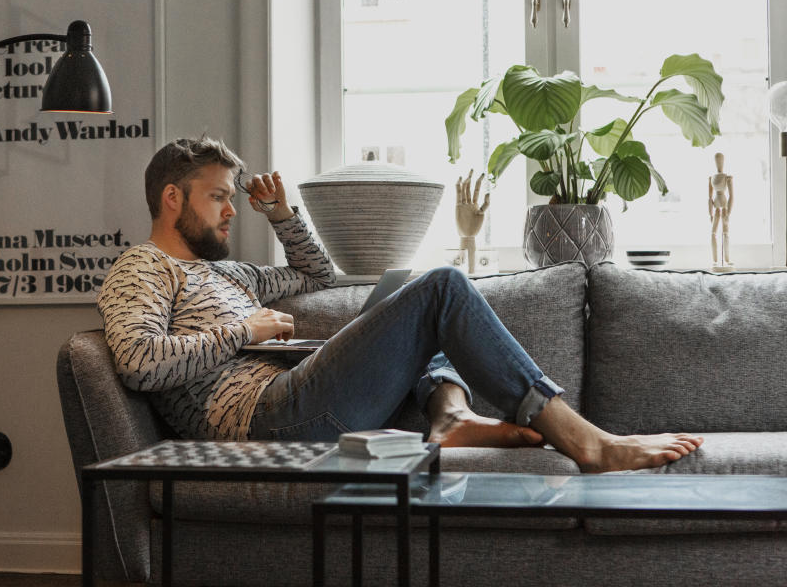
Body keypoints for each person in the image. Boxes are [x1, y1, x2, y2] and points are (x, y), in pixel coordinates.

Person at [98, 135, 703, 473]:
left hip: (292, 396)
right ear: (172, 198)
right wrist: (242, 330)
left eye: (232, 197)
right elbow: (138, 363)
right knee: (441, 287)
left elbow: (316, 276)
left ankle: (451, 417)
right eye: (218, 197)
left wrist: (281, 214)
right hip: (264, 418)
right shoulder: (142, 267)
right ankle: (587, 442)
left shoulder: (226, 272)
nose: (231, 209)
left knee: (403, 292)